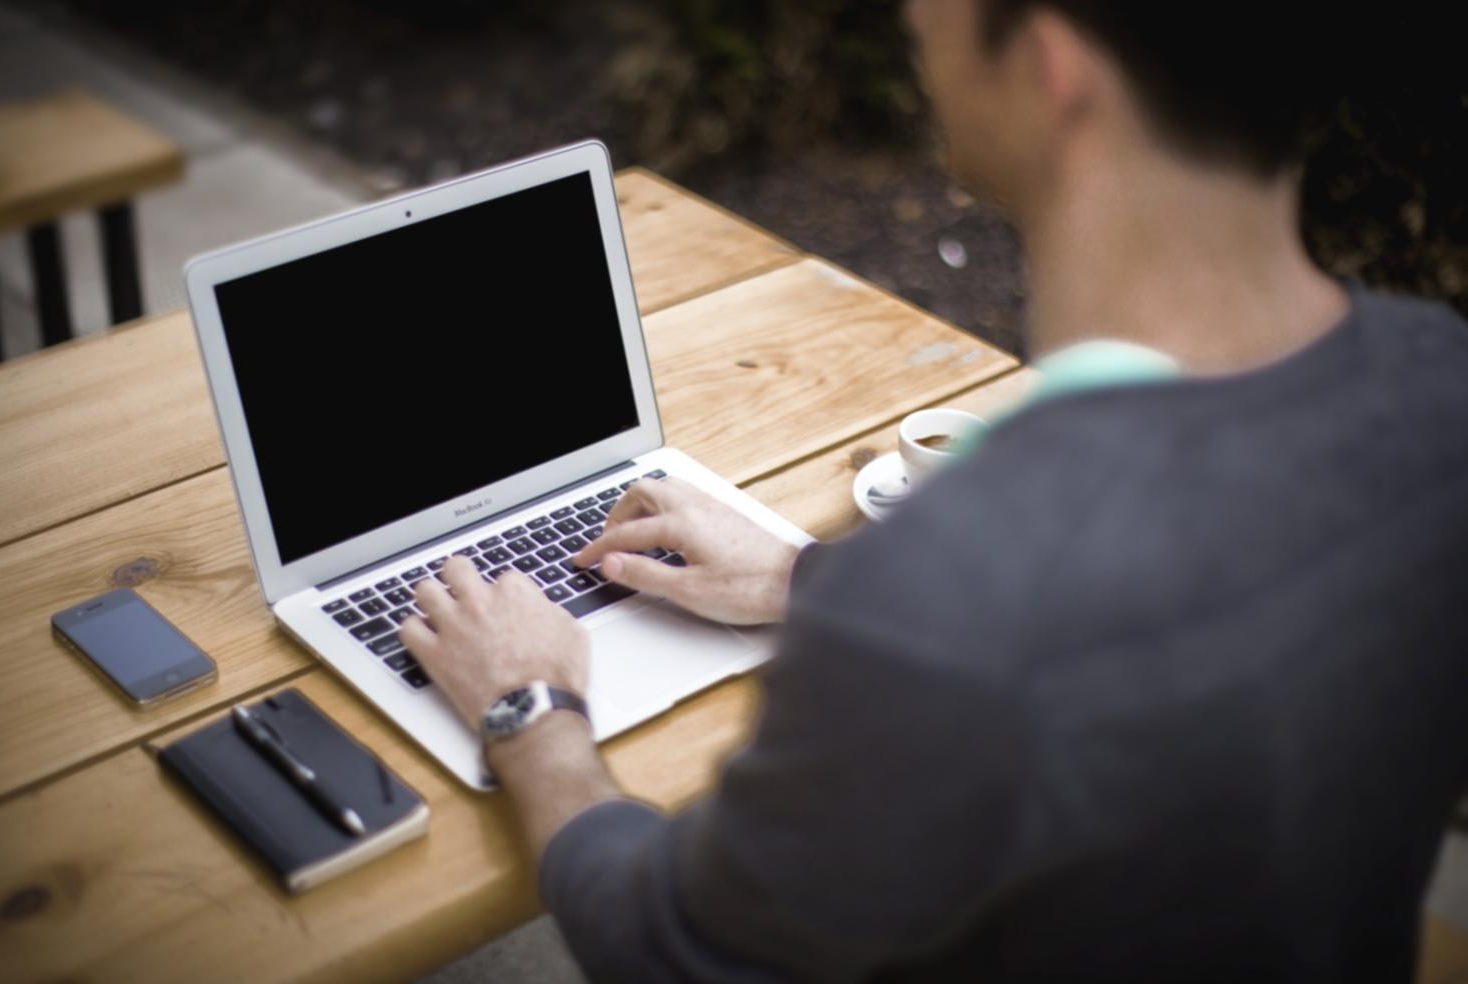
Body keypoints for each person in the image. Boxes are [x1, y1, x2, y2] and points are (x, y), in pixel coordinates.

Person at [399, 1, 1468, 979]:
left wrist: (531, 709)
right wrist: (803, 575)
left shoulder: (956, 596)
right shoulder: (1438, 390)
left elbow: (664, 952)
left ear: (1052, 65)